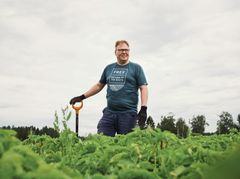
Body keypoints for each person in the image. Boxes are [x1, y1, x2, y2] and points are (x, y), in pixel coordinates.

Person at [70, 40, 148, 137]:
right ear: (115, 52)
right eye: (121, 50)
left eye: (126, 50)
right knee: (102, 140)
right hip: (110, 113)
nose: (124, 52)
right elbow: (99, 86)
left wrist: (144, 108)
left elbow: (143, 88)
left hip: (128, 114)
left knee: (125, 146)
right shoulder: (109, 68)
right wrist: (82, 97)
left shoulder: (136, 68)